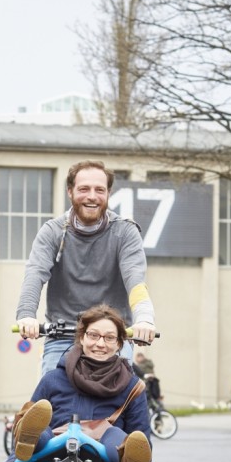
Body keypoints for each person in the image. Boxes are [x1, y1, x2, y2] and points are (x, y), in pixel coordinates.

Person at [15, 160, 157, 375]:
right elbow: (35, 274)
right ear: (70, 192)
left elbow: (135, 280)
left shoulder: (125, 232)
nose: (92, 196)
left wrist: (144, 319)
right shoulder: (52, 232)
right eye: (84, 189)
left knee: (125, 395)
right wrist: (26, 315)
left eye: (99, 190)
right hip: (64, 335)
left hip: (112, 337)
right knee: (50, 395)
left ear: (108, 193)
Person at [2, 304, 152, 462]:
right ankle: (25, 452)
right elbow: (27, 432)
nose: (100, 343)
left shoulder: (132, 387)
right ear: (82, 338)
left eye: (109, 338)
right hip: (54, 448)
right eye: (93, 335)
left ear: (119, 344)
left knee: (118, 437)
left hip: (107, 455)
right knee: (39, 432)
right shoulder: (53, 379)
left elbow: (141, 435)